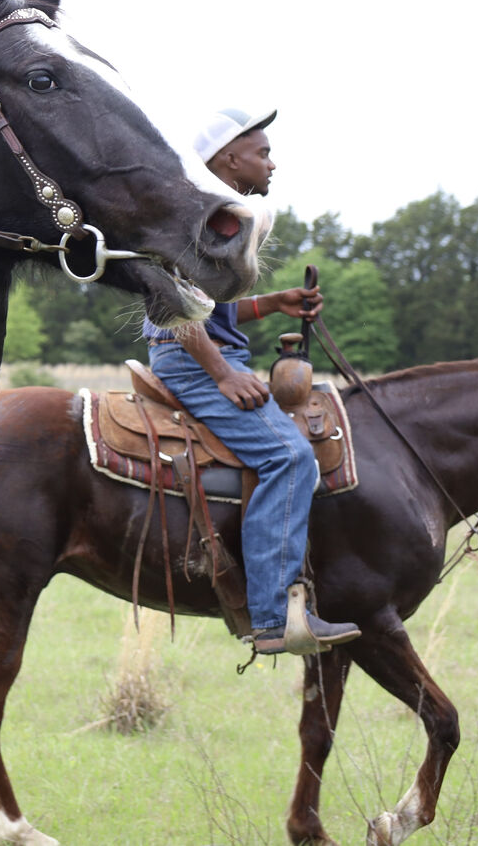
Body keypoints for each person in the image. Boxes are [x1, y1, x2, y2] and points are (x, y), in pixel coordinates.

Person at [141, 107, 361, 656]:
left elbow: (210, 310)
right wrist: (223, 375)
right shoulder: (197, 215)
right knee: (290, 457)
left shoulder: (216, 213)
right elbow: (171, 305)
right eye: (261, 153)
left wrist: (272, 304)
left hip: (200, 353)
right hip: (192, 360)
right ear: (229, 157)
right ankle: (273, 618)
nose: (271, 163)